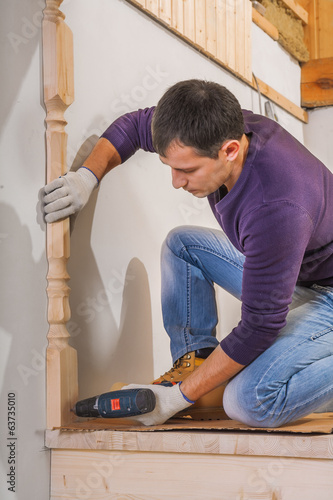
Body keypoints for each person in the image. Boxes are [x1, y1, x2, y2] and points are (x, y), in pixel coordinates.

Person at [42, 79, 333, 427]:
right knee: (184, 246)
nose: (176, 182)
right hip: (303, 275)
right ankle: (196, 361)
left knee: (249, 402)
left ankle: (196, 387)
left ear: (229, 151)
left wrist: (177, 398)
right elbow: (134, 126)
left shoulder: (277, 205)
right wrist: (87, 177)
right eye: (170, 167)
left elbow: (259, 327)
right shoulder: (208, 125)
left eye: (187, 170)